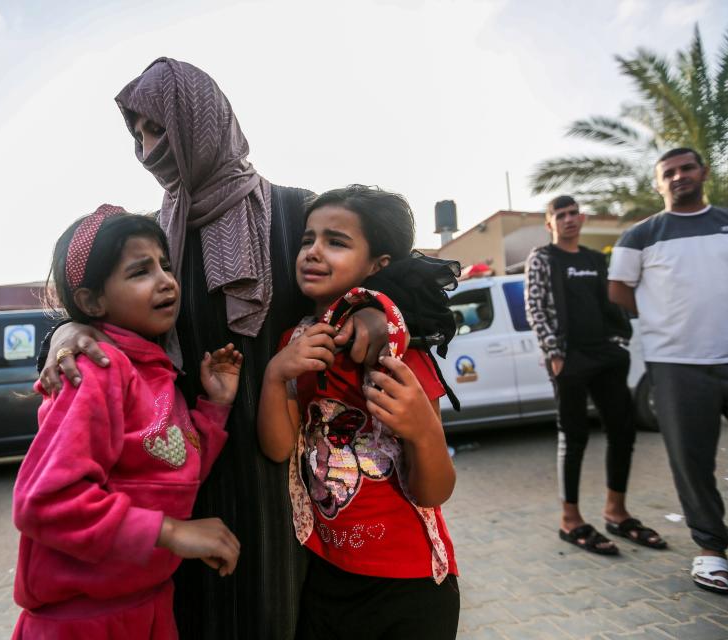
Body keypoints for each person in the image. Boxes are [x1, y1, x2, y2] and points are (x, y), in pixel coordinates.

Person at [37, 59, 447, 640]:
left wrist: (377, 304)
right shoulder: (157, 234)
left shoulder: (291, 214)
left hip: (284, 468)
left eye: (157, 128)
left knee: (276, 608)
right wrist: (65, 332)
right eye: (137, 137)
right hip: (186, 459)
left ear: (200, 120)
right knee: (193, 611)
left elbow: (391, 266)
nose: (147, 149)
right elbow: (95, 304)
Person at [11, 206, 243, 639]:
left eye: (165, 266)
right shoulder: (96, 369)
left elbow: (172, 471)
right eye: (140, 272)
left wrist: (215, 408)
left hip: (148, 607)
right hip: (84, 621)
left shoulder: (157, 372)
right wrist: (172, 532)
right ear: (92, 301)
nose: (165, 280)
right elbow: (44, 503)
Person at [258, 186, 459, 639]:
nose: (312, 252)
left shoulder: (398, 353)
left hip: (409, 585)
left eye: (336, 241)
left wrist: (422, 432)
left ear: (378, 266)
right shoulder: (295, 342)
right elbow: (276, 449)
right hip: (328, 575)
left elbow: (435, 490)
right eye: (307, 239)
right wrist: (275, 375)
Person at [608, 147, 728, 595]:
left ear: (703, 172)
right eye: (668, 173)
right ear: (658, 183)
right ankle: (712, 549)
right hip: (677, 366)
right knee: (692, 464)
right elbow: (619, 291)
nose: (678, 177)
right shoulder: (640, 236)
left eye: (686, 168)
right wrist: (665, 323)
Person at [524, 196, 664, 556]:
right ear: (549, 223)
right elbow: (535, 307)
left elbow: (612, 301)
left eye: (573, 213)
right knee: (574, 437)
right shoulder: (543, 258)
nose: (569, 219)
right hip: (570, 358)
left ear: (581, 218)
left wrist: (619, 341)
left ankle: (616, 512)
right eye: (561, 215)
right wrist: (554, 354)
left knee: (622, 430)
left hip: (607, 354)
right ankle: (570, 520)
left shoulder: (593, 258)